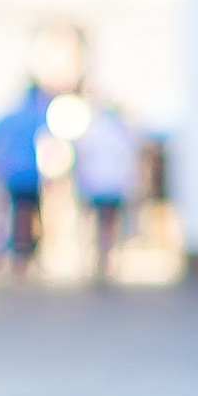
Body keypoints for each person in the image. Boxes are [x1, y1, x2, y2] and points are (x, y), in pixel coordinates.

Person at [0, 82, 50, 270]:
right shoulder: (38, 115)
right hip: (31, 176)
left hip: (11, 175)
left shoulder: (12, 116)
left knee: (16, 217)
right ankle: (25, 259)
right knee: (31, 218)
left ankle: (17, 258)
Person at [70, 99, 139, 281]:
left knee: (94, 225)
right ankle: (108, 263)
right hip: (115, 187)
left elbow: (82, 158)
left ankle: (96, 262)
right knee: (110, 225)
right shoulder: (123, 133)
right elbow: (130, 161)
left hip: (95, 186)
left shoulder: (92, 132)